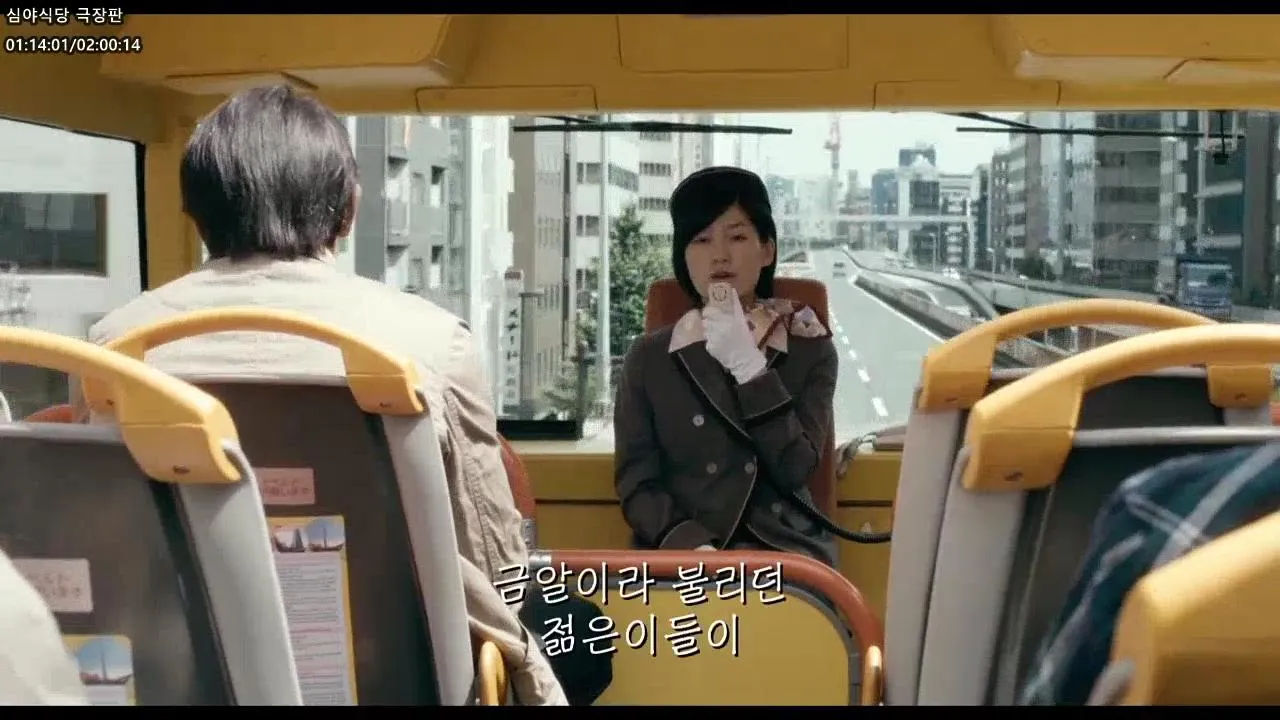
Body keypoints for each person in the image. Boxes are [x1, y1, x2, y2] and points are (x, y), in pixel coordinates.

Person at [71, 85, 566, 705]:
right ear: (348, 208)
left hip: (183, 680)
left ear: (194, 209)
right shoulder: (430, 343)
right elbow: (496, 564)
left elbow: (111, 548)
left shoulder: (115, 348)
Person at [613, 166, 839, 567]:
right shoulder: (648, 357)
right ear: (683, 257)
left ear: (767, 250)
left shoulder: (810, 347)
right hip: (684, 551)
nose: (719, 254)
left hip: (782, 551)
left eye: (737, 236)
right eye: (701, 240)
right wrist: (693, 547)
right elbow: (638, 484)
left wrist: (750, 369)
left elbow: (795, 468)